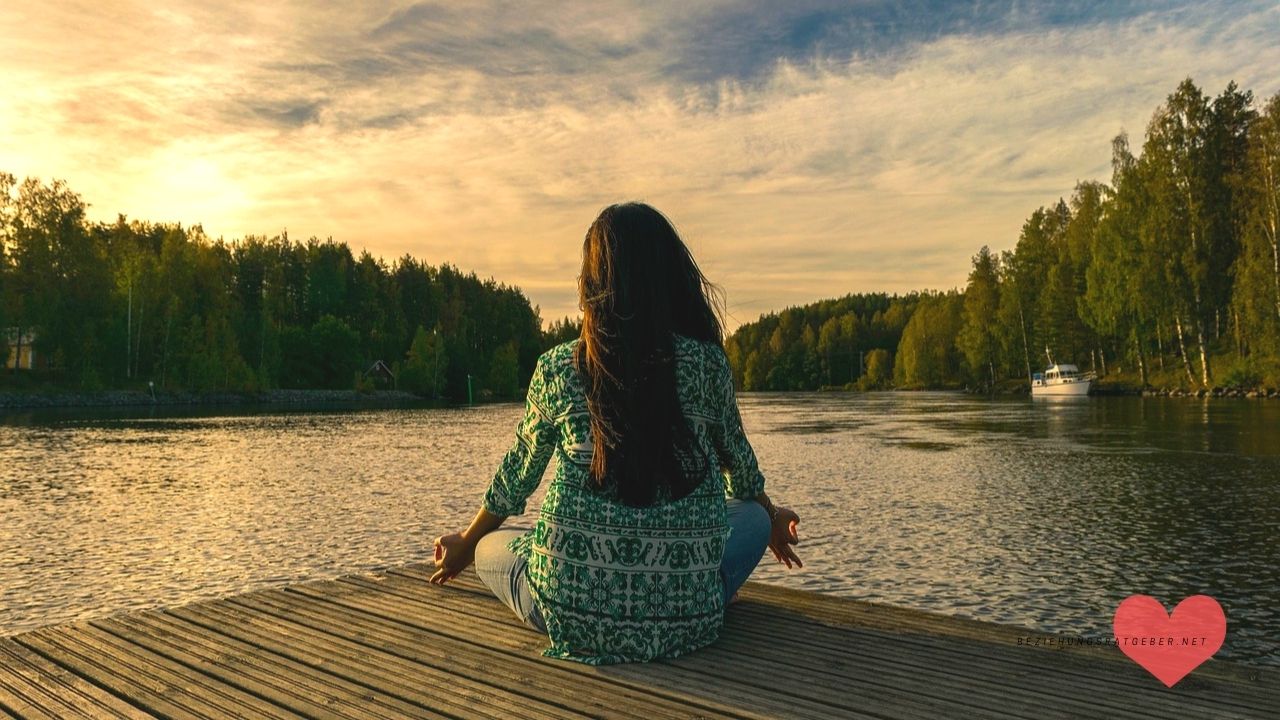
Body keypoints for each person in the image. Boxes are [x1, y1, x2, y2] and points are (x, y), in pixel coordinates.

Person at [431, 202, 802, 665]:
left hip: (569, 612)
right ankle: (686, 592)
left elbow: (516, 479)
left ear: (591, 284)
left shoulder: (557, 368)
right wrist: (768, 515)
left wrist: (465, 544)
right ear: (670, 277)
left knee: (491, 545)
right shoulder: (707, 364)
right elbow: (743, 475)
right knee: (749, 516)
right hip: (687, 619)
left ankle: (572, 580)